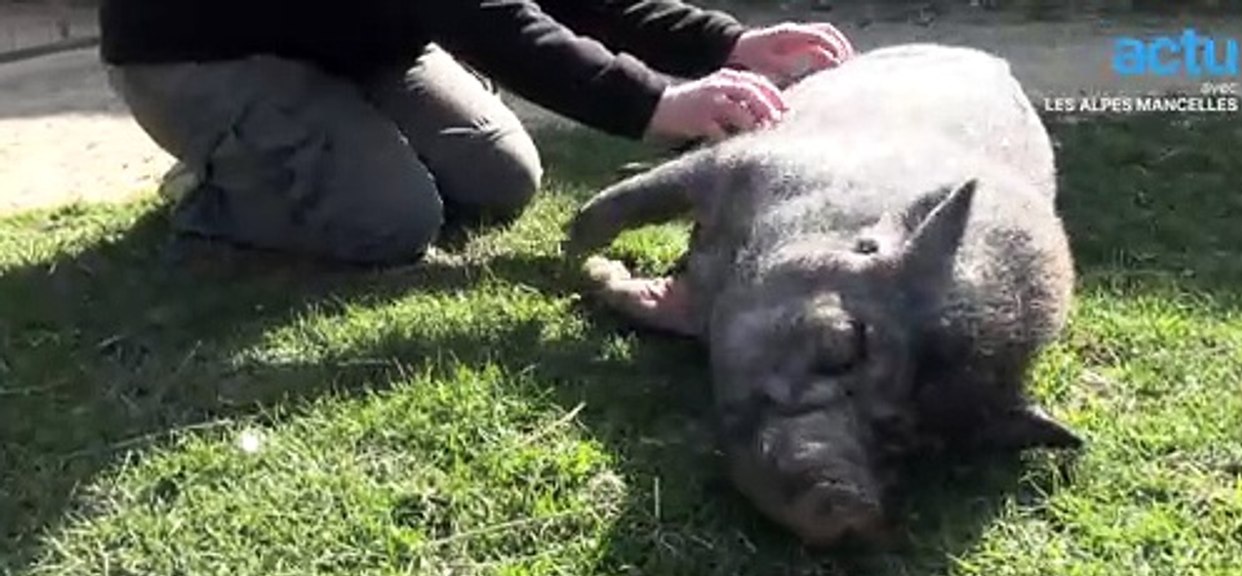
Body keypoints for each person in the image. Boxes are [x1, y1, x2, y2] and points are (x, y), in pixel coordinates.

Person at [99, 1, 853, 328]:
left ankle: (320, 141)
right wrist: (654, 104)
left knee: (500, 178)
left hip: (356, 38)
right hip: (203, 56)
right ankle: (218, 184)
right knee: (394, 222)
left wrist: (724, 44)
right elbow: (485, 17)